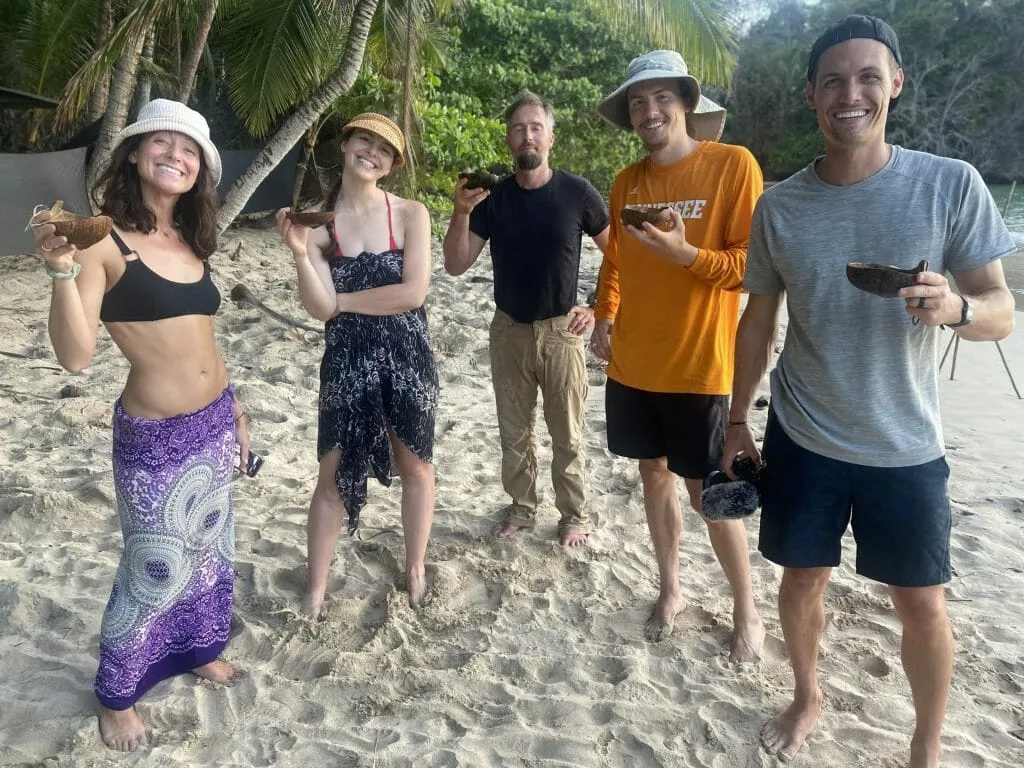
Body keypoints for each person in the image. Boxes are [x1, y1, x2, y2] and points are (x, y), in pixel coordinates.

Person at [724, 16, 1017, 766]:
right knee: (803, 579)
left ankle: (925, 744)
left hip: (905, 439)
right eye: (832, 81)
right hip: (805, 430)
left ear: (894, 84)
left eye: (866, 77)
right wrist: (735, 419)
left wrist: (955, 309)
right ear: (811, 96)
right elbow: (758, 321)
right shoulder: (781, 206)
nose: (849, 94)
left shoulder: (949, 183)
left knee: (921, 602)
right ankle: (807, 692)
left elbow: (1000, 310)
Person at [28, 99, 245, 752]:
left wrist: (234, 405)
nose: (175, 155)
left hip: (215, 423)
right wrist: (62, 270)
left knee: (210, 554)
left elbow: (204, 337)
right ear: (132, 154)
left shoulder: (190, 238)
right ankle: (115, 694)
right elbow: (74, 355)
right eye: (162, 142)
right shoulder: (104, 241)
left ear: (200, 172)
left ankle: (201, 649)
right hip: (156, 438)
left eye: (189, 148)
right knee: (151, 568)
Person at [591, 50, 765, 660]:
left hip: (699, 365)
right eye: (637, 102)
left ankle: (747, 610)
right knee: (652, 474)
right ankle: (671, 588)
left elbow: (752, 269)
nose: (649, 111)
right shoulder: (626, 181)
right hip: (633, 365)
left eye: (662, 97)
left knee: (705, 491)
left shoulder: (731, 166)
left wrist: (686, 255)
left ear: (687, 103)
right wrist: (605, 314)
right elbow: (614, 263)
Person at [276, 113, 437, 618]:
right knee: (333, 474)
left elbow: (413, 293)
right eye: (364, 141)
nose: (372, 153)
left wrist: (344, 300)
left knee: (415, 464)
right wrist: (302, 255)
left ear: (391, 165)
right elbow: (317, 307)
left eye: (384, 150)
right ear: (346, 145)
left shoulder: (412, 213)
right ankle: (316, 588)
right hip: (347, 359)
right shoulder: (318, 225)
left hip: (408, 354)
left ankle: (415, 567)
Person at [442, 89, 610, 548]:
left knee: (568, 435)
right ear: (509, 140)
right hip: (509, 330)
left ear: (551, 138)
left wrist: (597, 308)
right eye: (518, 128)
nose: (527, 136)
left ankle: (573, 514)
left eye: (536, 127)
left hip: (562, 331)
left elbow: (623, 258)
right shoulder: (493, 199)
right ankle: (521, 506)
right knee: (514, 432)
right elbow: (456, 264)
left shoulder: (578, 193)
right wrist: (461, 212)